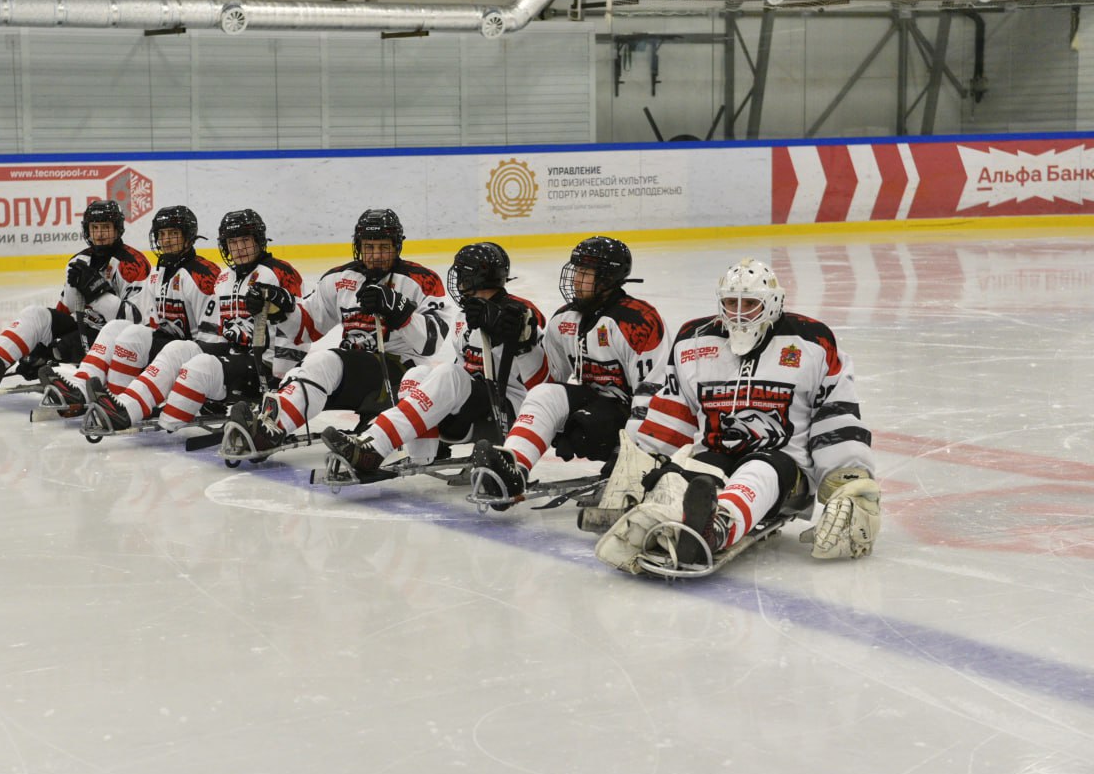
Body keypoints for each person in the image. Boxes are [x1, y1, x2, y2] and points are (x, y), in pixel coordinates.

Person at [597, 257, 879, 569]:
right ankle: (664, 519)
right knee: (687, 475)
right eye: (732, 303)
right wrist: (642, 463)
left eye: (751, 304)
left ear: (773, 303)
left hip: (785, 467)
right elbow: (673, 414)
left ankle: (717, 528)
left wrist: (848, 482)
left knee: (759, 469)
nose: (740, 313)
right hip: (715, 454)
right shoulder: (693, 339)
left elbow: (835, 417)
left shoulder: (812, 341)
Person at [222, 208, 453, 456]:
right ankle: (268, 429)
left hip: (400, 378)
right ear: (358, 246)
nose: (376, 255)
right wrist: (282, 308)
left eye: (383, 247)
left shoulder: (422, 280)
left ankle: (372, 429)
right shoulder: (341, 278)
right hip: (357, 375)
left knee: (327, 361)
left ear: (396, 246)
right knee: (305, 372)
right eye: (369, 247)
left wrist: (399, 310)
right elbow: (306, 327)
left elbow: (430, 343)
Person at [319, 242, 549, 477]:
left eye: (460, 274)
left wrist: (514, 336)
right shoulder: (465, 317)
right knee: (417, 373)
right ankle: (425, 453)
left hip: (508, 413)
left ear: (471, 278)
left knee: (450, 375)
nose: (457, 281)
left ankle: (375, 445)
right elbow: (466, 371)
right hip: (475, 410)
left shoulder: (518, 312)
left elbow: (542, 378)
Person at [469, 236, 666, 502]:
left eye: (585, 273)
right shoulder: (564, 320)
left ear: (607, 279)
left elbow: (651, 396)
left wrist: (631, 455)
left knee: (598, 417)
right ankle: (513, 468)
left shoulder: (638, 322)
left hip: (630, 421)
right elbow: (546, 384)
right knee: (545, 395)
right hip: (594, 412)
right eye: (576, 271)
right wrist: (524, 347)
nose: (575, 280)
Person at [84, 209, 305, 430]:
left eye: (245, 240)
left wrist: (280, 378)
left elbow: (300, 327)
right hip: (234, 355)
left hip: (263, 368)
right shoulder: (225, 279)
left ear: (258, 240)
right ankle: (126, 406)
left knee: (201, 366)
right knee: (179, 349)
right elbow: (213, 333)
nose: (239, 248)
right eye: (232, 242)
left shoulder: (280, 273)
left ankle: (162, 417)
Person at [0, 199, 149, 390]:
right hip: (84, 331)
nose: (99, 234)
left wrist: (96, 295)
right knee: (36, 314)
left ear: (117, 229)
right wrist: (40, 350)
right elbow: (65, 310)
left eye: (105, 228)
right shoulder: (79, 261)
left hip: (113, 340)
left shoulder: (133, 265)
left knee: (67, 346)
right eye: (94, 228)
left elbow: (137, 321)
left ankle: (91, 384)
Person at [38, 205, 219, 409]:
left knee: (132, 336)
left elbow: (212, 337)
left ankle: (122, 403)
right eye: (162, 234)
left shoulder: (203, 276)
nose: (166, 240)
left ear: (188, 236)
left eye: (173, 234)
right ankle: (84, 390)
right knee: (116, 328)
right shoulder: (158, 273)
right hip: (168, 345)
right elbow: (143, 321)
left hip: (190, 355)